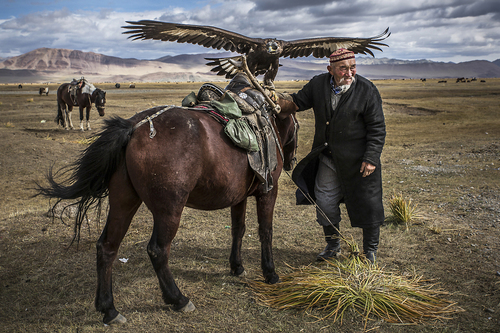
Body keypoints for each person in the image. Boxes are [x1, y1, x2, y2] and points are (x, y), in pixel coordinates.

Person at [290, 48, 386, 263]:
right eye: (343, 68)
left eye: (352, 68)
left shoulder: (367, 89)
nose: (349, 73)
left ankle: (370, 251)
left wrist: (371, 158)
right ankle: (333, 245)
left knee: (368, 204)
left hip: (359, 161)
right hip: (328, 158)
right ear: (330, 69)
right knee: (324, 203)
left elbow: (377, 127)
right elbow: (297, 102)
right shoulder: (318, 84)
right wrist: (274, 99)